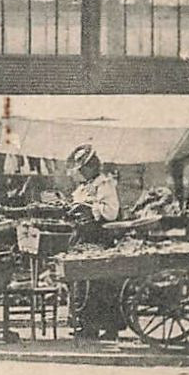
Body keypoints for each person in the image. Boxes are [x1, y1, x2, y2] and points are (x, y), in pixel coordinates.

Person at [67, 145, 123, 340]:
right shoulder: (85, 186)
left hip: (99, 237)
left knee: (99, 285)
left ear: (93, 166)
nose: (81, 172)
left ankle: (103, 327)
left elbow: (111, 212)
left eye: (84, 168)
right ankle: (84, 323)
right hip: (83, 236)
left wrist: (91, 207)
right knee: (82, 283)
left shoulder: (105, 185)